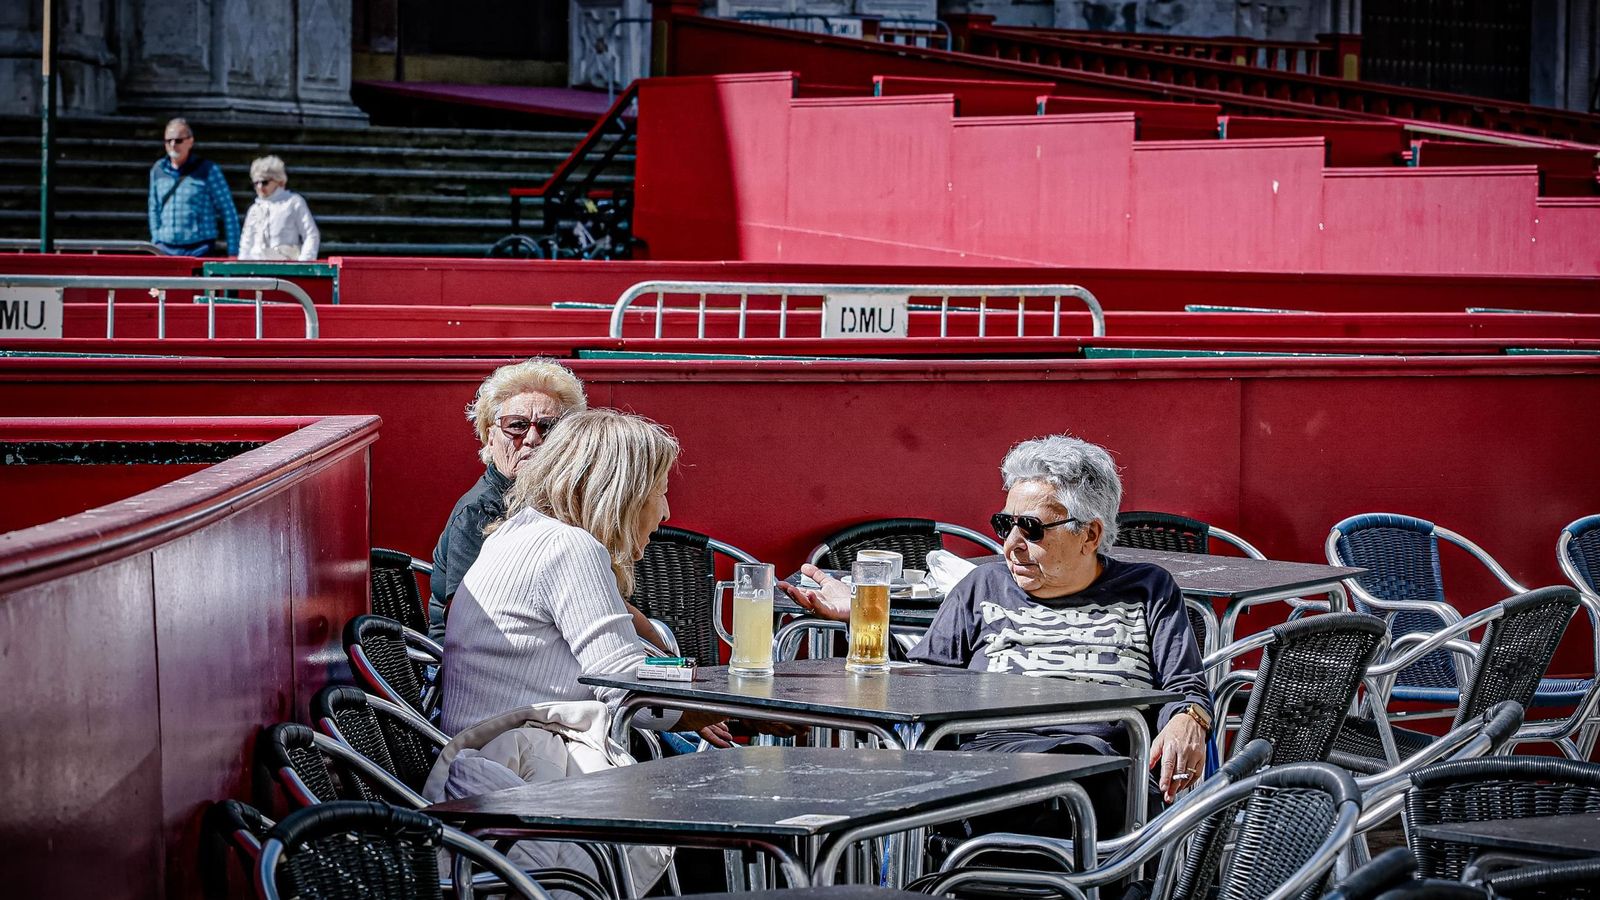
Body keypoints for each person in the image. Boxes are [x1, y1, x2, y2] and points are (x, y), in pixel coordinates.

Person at [783, 434, 1211, 833]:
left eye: (1033, 528)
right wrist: (862, 618)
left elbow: (1185, 683)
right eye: (1005, 525)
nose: (1012, 544)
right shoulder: (983, 585)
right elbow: (920, 686)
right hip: (992, 761)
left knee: (1082, 776)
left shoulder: (1147, 589)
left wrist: (1188, 718)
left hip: (1102, 767)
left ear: (1090, 534)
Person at [440, 408, 732, 744]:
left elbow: (622, 670)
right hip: (524, 782)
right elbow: (627, 690)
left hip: (489, 766)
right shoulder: (568, 547)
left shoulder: (519, 532)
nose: (665, 511)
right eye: (660, 492)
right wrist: (748, 705)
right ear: (622, 496)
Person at [430, 358, 587, 637]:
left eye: (548, 427)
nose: (531, 439)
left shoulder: (562, 501)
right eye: (516, 425)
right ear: (490, 437)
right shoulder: (478, 511)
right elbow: (469, 620)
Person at [147, 118, 240, 257]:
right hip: (165, 248)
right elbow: (153, 208)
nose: (173, 144)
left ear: (190, 141)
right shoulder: (157, 170)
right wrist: (156, 239)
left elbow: (228, 210)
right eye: (168, 141)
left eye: (178, 140)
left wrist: (234, 251)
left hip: (200, 248)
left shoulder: (208, 170)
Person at [238, 155, 320, 261]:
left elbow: (311, 234)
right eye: (256, 183)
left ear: (279, 181)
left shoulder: (293, 202)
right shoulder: (254, 209)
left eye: (264, 182)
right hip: (257, 270)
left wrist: (304, 263)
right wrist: (242, 269)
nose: (259, 187)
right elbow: (246, 243)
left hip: (287, 267)